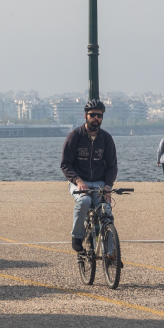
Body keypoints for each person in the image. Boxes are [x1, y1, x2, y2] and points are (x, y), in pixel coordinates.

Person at [61, 99, 118, 259]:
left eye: (99, 115)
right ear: (85, 116)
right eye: (92, 115)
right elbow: (65, 164)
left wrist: (108, 186)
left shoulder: (106, 138)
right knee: (85, 202)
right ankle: (77, 237)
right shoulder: (75, 136)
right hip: (78, 182)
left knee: (106, 211)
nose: (96, 118)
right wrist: (78, 181)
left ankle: (111, 252)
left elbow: (112, 166)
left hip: (99, 183)